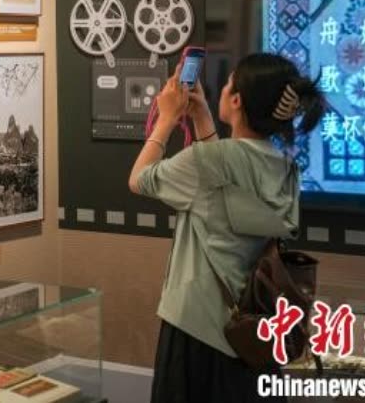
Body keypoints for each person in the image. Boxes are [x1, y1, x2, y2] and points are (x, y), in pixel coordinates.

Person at [128, 52, 325, 402]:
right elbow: (221, 185)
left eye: (229, 83)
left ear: (236, 100)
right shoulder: (286, 170)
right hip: (255, 332)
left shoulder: (208, 161)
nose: (221, 88)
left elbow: (139, 179)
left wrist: (167, 119)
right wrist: (202, 116)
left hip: (195, 329)